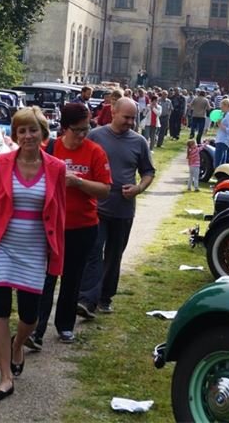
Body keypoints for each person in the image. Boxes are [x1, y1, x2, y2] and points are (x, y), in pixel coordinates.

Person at [0, 106, 66, 401]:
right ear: (15, 135)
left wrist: (57, 257)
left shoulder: (56, 168)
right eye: (22, 130)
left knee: (30, 316)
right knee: (0, 309)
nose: (27, 135)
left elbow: (59, 214)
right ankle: (5, 377)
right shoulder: (0, 164)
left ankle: (18, 345)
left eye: (32, 130)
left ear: (43, 134)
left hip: (35, 249)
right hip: (1, 245)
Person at [28, 103, 111, 349]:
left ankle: (65, 326)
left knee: (72, 278)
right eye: (78, 130)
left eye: (87, 129)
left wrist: (78, 182)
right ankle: (36, 330)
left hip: (83, 226)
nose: (83, 134)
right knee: (46, 278)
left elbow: (105, 190)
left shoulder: (95, 152)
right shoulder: (51, 149)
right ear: (65, 128)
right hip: (52, 225)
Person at [77, 97, 155, 316]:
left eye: (133, 118)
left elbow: (149, 172)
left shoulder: (139, 142)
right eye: (127, 117)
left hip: (123, 209)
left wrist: (139, 188)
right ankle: (86, 299)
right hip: (97, 207)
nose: (130, 122)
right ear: (113, 112)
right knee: (94, 251)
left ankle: (105, 297)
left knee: (114, 255)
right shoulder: (96, 136)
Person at [214, 99, 229, 167]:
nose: (221, 108)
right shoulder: (228, 114)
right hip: (222, 140)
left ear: (226, 106)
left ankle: (217, 175)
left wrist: (220, 124)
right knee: (221, 163)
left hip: (223, 140)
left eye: (222, 107)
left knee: (218, 163)